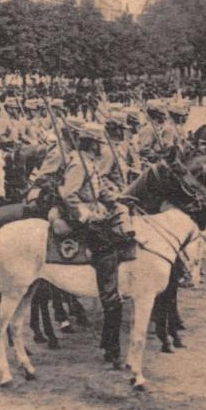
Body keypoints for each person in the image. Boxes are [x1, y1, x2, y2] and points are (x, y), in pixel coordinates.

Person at [58, 123, 134, 321]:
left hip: (95, 208)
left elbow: (99, 190)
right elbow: (68, 194)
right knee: (106, 246)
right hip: (80, 214)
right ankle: (108, 294)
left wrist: (118, 198)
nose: (102, 147)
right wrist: (85, 214)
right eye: (99, 143)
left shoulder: (89, 162)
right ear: (93, 145)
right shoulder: (78, 163)